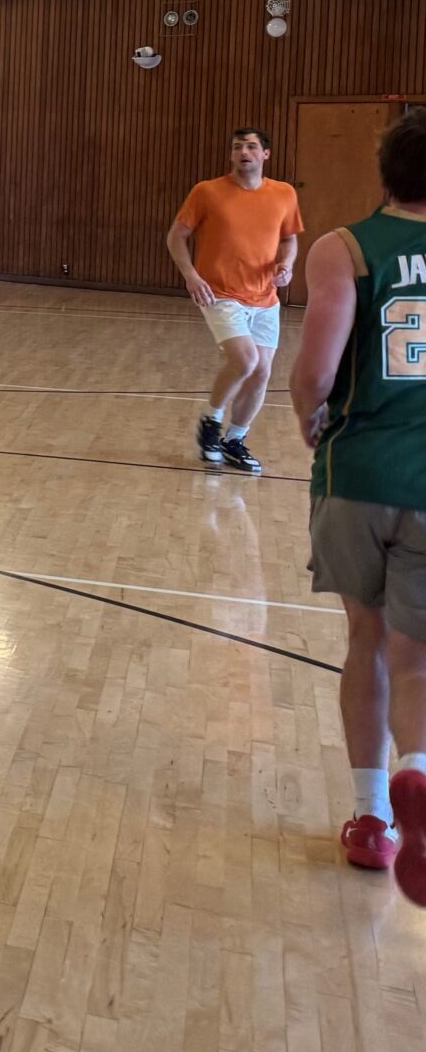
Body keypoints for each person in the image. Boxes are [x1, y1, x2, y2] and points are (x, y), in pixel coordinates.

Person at [288, 111, 426, 886]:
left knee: (366, 645)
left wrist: (310, 418)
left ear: (385, 174)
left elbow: (314, 369)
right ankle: (421, 769)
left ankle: (372, 819)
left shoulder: (343, 248)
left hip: (357, 476)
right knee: (419, 662)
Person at [168, 126, 304, 473]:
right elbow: (176, 236)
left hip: (265, 296)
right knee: (245, 361)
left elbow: (289, 239)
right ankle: (211, 422)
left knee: (261, 372)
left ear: (265, 154)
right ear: (232, 155)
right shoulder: (207, 192)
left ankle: (235, 440)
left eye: (251, 146)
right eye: (237, 147)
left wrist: (286, 264)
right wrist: (191, 275)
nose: (244, 151)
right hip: (220, 292)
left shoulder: (284, 194)